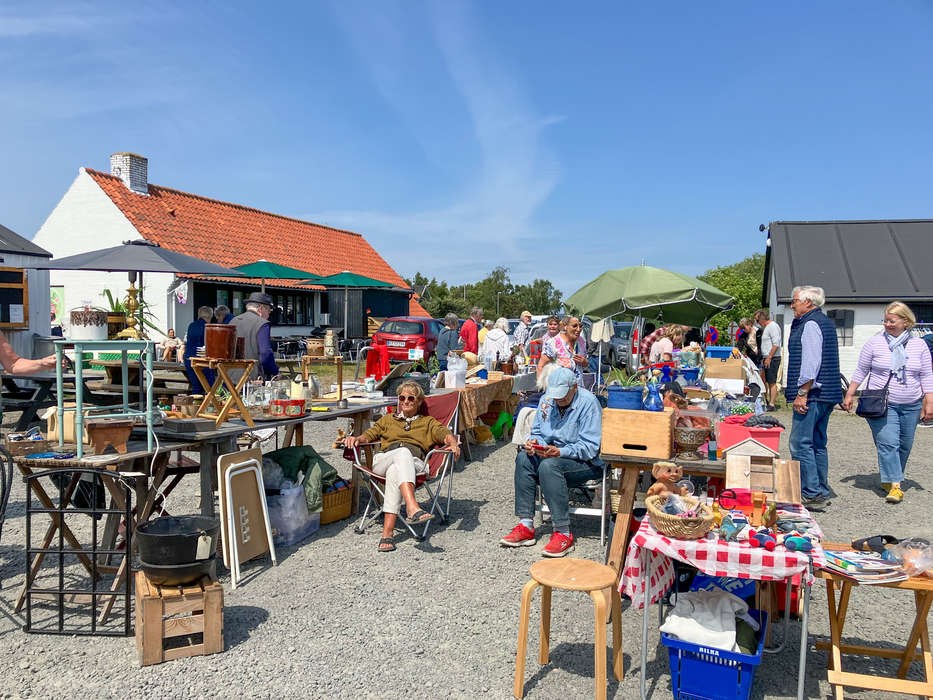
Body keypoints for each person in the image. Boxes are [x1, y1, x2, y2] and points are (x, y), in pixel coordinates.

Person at [343, 380, 460, 552]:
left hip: (415, 465)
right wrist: (356, 439)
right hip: (384, 459)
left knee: (395, 470)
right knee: (401, 453)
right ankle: (412, 506)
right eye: (402, 397)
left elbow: (445, 434)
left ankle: (387, 533)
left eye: (411, 398)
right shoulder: (388, 419)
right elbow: (368, 436)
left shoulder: (428, 422)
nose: (405, 401)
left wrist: (453, 444)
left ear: (419, 401)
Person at [500, 367, 604, 557]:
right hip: (552, 454)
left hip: (585, 461)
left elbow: (590, 447)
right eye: (555, 395)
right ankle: (526, 525)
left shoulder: (589, 403)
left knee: (549, 466)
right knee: (524, 457)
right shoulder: (547, 400)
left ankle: (563, 531)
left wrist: (560, 451)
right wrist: (534, 443)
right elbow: (539, 433)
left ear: (574, 387)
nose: (559, 399)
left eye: (563, 395)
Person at [841, 302, 933, 504]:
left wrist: (930, 402)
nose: (888, 324)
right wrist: (850, 393)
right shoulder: (874, 343)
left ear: (906, 322)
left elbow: (927, 375)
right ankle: (896, 486)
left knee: (905, 445)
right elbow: (861, 370)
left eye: (892, 320)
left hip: (911, 403)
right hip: (883, 403)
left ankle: (889, 477)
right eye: (885, 320)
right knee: (888, 442)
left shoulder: (919, 345)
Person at [785, 285, 841, 511]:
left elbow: (811, 363)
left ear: (808, 302)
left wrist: (802, 393)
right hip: (827, 392)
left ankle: (811, 491)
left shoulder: (810, 324)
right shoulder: (824, 322)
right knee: (817, 442)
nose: (792, 305)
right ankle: (821, 488)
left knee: (800, 443)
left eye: (795, 300)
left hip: (814, 394)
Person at [230, 292, 279, 381]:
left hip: (229, 375)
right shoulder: (262, 323)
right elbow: (265, 354)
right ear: (261, 308)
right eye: (268, 310)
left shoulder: (233, 321)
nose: (269, 315)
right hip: (253, 377)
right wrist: (274, 371)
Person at [538, 316, 588, 386]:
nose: (578, 329)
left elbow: (585, 365)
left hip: (578, 389)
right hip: (559, 391)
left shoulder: (581, 341)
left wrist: (584, 362)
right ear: (565, 327)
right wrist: (544, 388)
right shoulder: (553, 343)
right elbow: (541, 366)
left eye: (580, 326)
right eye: (574, 326)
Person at [754, 308, 782, 411]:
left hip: (773, 358)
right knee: (764, 380)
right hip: (766, 357)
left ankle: (772, 403)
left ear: (762, 318)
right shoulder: (766, 328)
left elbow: (776, 344)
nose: (757, 323)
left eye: (757, 320)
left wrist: (769, 357)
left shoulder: (773, 327)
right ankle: (766, 401)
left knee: (771, 381)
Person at [183, 305, 214, 393]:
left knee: (196, 386)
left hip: (189, 359)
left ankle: (197, 406)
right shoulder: (208, 327)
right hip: (203, 360)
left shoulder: (191, 325)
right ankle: (209, 405)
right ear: (210, 316)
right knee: (209, 387)